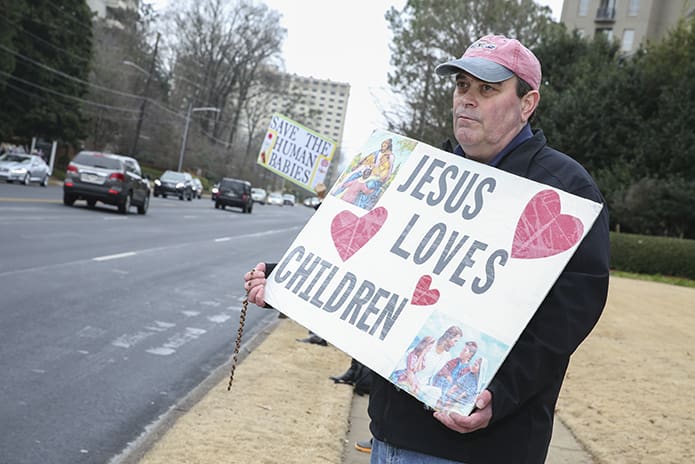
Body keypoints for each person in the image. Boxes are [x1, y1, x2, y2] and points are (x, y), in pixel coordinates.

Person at [244, 34, 610, 464]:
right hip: (389, 432)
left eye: (487, 89)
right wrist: (286, 278)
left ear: (527, 103)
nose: (467, 100)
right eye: (462, 87)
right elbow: (371, 261)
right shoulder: (420, 171)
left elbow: (567, 316)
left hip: (482, 448)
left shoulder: (564, 188)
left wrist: (500, 393)